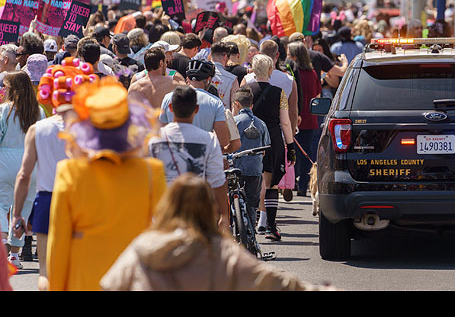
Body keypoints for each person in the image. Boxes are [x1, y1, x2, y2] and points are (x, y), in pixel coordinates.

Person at [100, 173, 331, 291]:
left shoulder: (143, 247)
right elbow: (269, 281)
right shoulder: (220, 251)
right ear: (210, 209)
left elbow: (110, 284)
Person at [46, 77, 167, 291]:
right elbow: (163, 233)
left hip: (83, 281)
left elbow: (58, 242)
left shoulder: (69, 171)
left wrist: (56, 287)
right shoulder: (151, 171)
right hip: (134, 280)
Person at [12, 58, 97, 290]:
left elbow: (24, 175)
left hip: (48, 200)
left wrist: (17, 214)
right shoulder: (90, 129)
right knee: (80, 265)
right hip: (82, 201)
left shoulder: (38, 128)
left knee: (46, 271)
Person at [148, 86, 229, 229]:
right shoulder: (208, 139)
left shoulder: (153, 139)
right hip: (197, 214)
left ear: (170, 108)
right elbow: (217, 180)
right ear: (196, 109)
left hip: (161, 212)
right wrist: (224, 214)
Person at [0, 71, 46, 270]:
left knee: (2, 205)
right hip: (31, 162)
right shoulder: (39, 111)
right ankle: (15, 255)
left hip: (5, 159)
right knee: (23, 209)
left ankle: (3, 245)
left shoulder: (4, 110)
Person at [247, 54, 295, 241]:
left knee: (250, 181)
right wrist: (291, 146)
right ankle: (271, 227)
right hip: (272, 139)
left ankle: (250, 224)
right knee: (271, 183)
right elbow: (285, 123)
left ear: (252, 68)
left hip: (250, 139)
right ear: (270, 70)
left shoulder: (245, 90)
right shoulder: (279, 93)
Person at [159, 59, 231, 151]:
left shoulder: (168, 98)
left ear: (187, 78)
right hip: (201, 156)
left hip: (174, 156)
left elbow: (161, 129)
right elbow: (223, 141)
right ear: (208, 80)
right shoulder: (215, 102)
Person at [231, 86, 270, 228]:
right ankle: (251, 233)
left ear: (236, 104)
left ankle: (236, 230)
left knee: (233, 200)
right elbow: (265, 148)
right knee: (252, 204)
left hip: (236, 168)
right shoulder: (261, 124)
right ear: (252, 105)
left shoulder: (234, 122)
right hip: (255, 169)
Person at [287, 42, 322, 197]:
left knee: (291, 149)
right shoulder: (313, 73)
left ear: (294, 56)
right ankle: (303, 186)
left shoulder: (292, 74)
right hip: (310, 117)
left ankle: (291, 181)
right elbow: (317, 95)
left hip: (294, 116)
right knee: (307, 152)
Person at [208, 42, 239, 110]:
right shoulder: (232, 79)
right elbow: (235, 106)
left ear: (210, 55)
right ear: (225, 57)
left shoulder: (201, 74)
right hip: (223, 117)